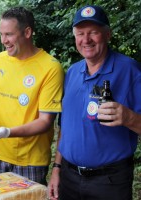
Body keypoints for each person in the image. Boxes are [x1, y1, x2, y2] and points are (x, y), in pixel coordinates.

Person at [47, 5, 141, 200]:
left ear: (108, 35)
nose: (86, 40)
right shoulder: (72, 72)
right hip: (69, 177)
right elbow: (65, 126)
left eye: (93, 33)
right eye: (80, 33)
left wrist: (129, 118)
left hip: (110, 183)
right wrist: (56, 168)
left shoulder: (130, 71)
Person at [0, 7, 64, 185]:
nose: (4, 41)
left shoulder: (51, 67)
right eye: (1, 34)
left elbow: (45, 121)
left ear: (27, 32)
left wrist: (7, 133)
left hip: (30, 162)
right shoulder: (0, 59)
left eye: (9, 34)